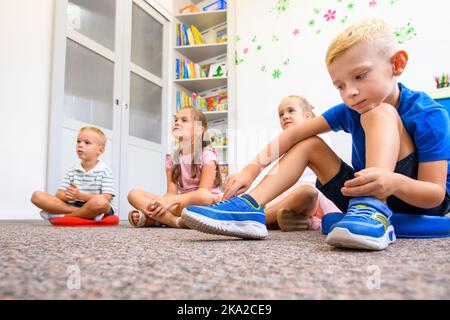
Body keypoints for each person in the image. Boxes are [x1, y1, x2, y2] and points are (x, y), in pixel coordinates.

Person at [181, 19, 450, 250]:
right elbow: (292, 135)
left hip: (416, 200)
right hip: (362, 196)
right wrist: (250, 171)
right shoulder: (349, 109)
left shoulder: (428, 113)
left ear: (397, 64)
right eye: (340, 86)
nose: (349, 93)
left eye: (360, 76)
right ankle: (251, 206)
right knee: (307, 142)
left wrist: (393, 183)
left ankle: (372, 208)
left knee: (381, 112)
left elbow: (434, 195)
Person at [128, 106, 222, 228]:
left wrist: (170, 201)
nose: (177, 122)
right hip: (178, 204)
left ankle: (157, 219)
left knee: (204, 196)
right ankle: (174, 221)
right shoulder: (172, 159)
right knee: (134, 194)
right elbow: (170, 194)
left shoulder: (207, 155)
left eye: (184, 120)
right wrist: (164, 202)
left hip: (202, 203)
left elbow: (203, 193)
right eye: (176, 120)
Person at [265, 95, 340, 232]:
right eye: (281, 114)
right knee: (271, 199)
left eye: (291, 111)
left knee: (307, 193)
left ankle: (260, 219)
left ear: (308, 117)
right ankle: (301, 221)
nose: (285, 116)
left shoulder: (319, 139)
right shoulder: (283, 144)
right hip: (286, 196)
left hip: (311, 199)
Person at [31, 126, 116, 221]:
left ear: (100, 150)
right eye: (78, 141)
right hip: (75, 205)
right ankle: (83, 213)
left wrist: (79, 195)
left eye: (87, 142)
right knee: (37, 196)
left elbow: (106, 197)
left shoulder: (105, 170)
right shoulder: (72, 170)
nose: (80, 145)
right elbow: (59, 194)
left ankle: (64, 216)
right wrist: (68, 196)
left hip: (96, 206)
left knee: (101, 202)